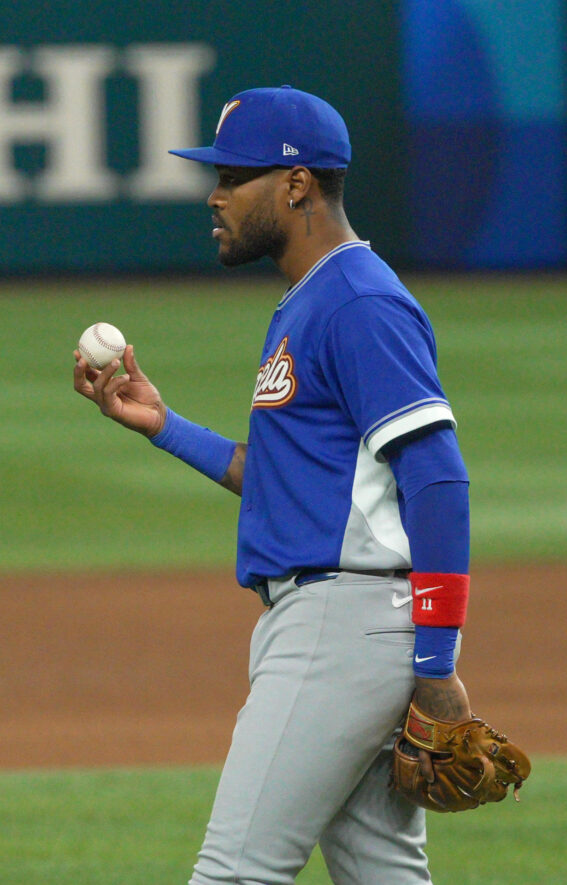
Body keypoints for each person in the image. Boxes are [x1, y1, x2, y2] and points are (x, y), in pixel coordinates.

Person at [73, 85, 473, 885]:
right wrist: (165, 425)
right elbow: (287, 482)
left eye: (234, 177)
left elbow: (438, 480)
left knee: (233, 871)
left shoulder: (358, 300)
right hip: (343, 625)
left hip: (341, 627)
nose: (214, 197)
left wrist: (438, 664)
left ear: (297, 186)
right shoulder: (312, 299)